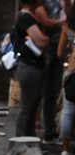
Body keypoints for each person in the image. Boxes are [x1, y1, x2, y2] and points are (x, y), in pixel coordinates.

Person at [15, 1, 49, 137]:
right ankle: (20, 143)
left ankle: (29, 140)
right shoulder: (25, 18)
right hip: (29, 66)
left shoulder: (30, 17)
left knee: (32, 107)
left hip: (33, 65)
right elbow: (41, 41)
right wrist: (46, 39)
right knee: (26, 107)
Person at [35, 1, 66, 145]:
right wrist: (63, 21)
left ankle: (49, 132)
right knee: (45, 91)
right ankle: (39, 133)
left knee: (52, 92)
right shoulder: (42, 2)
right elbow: (45, 21)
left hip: (57, 45)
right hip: (48, 48)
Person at [57, 6, 75, 155]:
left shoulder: (68, 31)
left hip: (71, 72)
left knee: (68, 112)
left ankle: (65, 151)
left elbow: (59, 52)